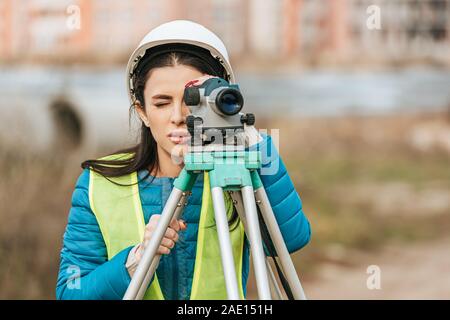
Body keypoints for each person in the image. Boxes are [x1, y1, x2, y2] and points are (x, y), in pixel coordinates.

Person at [56, 20, 311, 300]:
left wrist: (244, 133)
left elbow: (290, 240)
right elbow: (71, 294)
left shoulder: (236, 174)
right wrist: (136, 259)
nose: (178, 116)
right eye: (161, 103)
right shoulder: (99, 184)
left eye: (192, 101)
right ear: (141, 111)